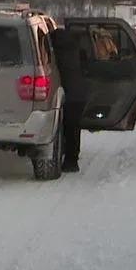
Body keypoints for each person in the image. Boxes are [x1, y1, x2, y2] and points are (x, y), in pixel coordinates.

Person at [50, 27, 91, 173]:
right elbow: (87, 68)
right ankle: (71, 160)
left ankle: (65, 157)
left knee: (60, 127)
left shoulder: (55, 52)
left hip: (61, 94)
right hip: (78, 95)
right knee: (73, 129)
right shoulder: (77, 49)